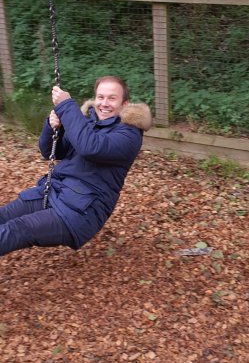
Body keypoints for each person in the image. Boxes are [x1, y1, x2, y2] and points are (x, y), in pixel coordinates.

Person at [0, 76, 152, 256]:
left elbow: (91, 147)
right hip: (54, 193)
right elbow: (52, 152)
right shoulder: (88, 123)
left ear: (124, 104)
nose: (104, 103)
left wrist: (66, 105)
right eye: (100, 97)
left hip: (80, 211)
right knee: (4, 216)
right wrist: (53, 126)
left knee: (17, 229)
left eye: (112, 98)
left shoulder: (129, 135)